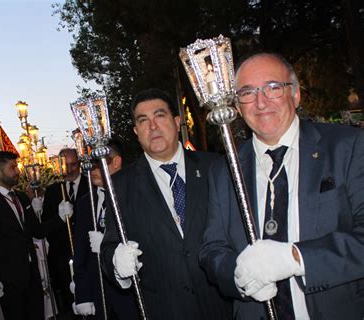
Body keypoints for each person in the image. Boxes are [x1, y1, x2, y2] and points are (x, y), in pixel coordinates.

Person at [200, 52, 364, 319]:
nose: (261, 102)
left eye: (273, 88)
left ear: (296, 95)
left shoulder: (349, 147)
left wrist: (296, 258)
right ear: (238, 107)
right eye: (247, 92)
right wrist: (239, 276)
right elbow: (212, 249)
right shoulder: (223, 169)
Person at [101, 88, 231, 319]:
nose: (152, 126)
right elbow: (111, 245)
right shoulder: (120, 185)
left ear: (177, 121)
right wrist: (116, 264)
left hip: (223, 306)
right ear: (136, 132)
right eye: (143, 121)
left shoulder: (216, 167)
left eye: (159, 116)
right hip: (163, 310)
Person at [0, 151, 66, 320]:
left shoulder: (21, 197)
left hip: (32, 276)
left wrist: (60, 218)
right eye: (12, 167)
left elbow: (37, 231)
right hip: (6, 280)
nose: (18, 171)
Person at [73, 140, 138, 319]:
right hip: (98, 292)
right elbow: (80, 253)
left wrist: (109, 245)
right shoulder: (86, 202)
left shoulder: (134, 194)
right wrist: (83, 294)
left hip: (130, 293)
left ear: (116, 162)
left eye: (99, 162)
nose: (93, 169)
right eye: (90, 164)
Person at [42, 148, 89, 318]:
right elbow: (45, 226)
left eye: (73, 165)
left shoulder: (90, 183)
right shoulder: (53, 191)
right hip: (62, 257)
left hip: (88, 254)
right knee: (69, 304)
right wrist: (58, 218)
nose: (69, 170)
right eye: (65, 166)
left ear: (80, 164)